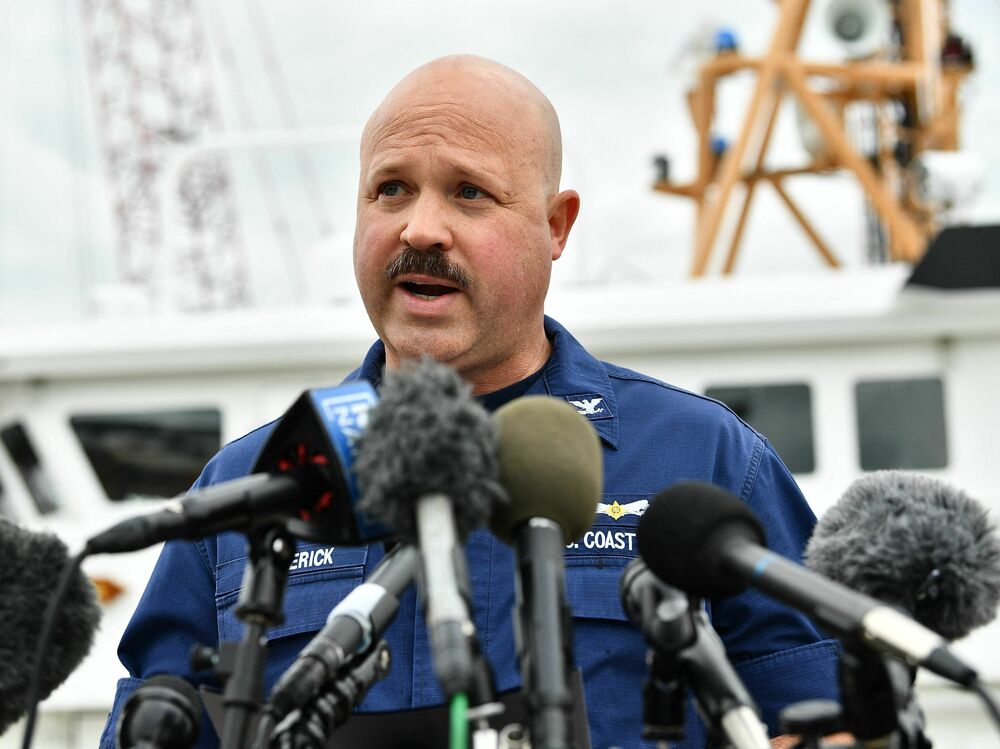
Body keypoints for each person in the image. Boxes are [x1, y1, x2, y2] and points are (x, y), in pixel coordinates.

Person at [99, 55, 840, 749]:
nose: (420, 228)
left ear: (556, 226)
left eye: (469, 192)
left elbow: (822, 716)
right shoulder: (243, 485)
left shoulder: (708, 461)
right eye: (391, 189)